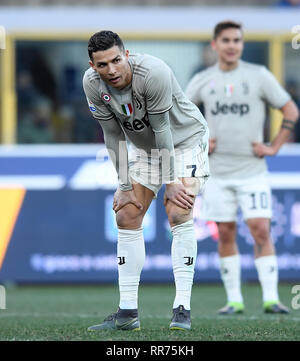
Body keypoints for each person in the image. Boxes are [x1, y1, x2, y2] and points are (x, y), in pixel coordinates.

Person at [83, 31, 209, 330]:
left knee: (178, 210)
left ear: (126, 54)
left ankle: (182, 308)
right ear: (92, 65)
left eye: (116, 60)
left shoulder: (153, 72)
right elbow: (113, 135)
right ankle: (127, 314)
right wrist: (124, 186)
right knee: (126, 214)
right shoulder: (91, 84)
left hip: (185, 141)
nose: (111, 70)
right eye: (102, 65)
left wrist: (172, 181)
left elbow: (163, 127)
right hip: (145, 148)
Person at [186, 21, 299, 315]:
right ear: (215, 44)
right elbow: (180, 116)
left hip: (252, 172)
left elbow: (290, 109)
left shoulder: (258, 76)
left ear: (242, 44)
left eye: (237, 40)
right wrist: (199, 141)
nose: (232, 45)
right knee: (225, 232)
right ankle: (234, 300)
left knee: (261, 230)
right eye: (226, 40)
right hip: (217, 173)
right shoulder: (203, 79)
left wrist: (273, 146)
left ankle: (271, 298)